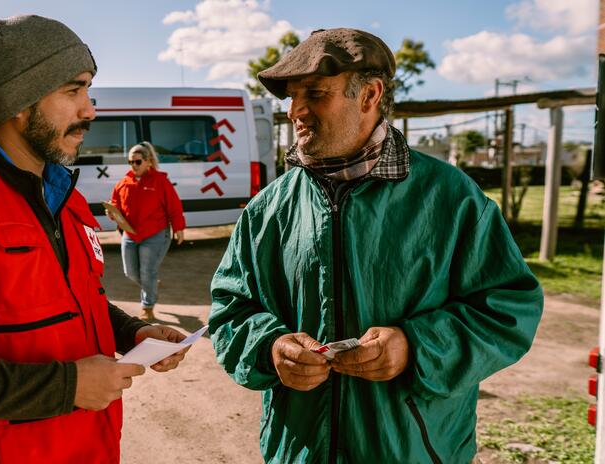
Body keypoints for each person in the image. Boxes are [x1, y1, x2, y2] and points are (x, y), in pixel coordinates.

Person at [208, 28, 543, 463]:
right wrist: (271, 348)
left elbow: (508, 309)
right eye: (291, 97)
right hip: (299, 452)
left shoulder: (451, 198)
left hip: (415, 451)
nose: (296, 111)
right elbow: (231, 311)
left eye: (314, 93)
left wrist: (417, 347)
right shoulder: (267, 209)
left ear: (369, 94)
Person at [0, 15, 188, 464]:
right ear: (19, 102)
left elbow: (77, 299)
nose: (90, 110)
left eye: (88, 91)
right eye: (73, 90)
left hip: (92, 448)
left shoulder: (68, 199)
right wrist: (68, 387)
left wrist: (133, 331)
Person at [107, 141, 186, 321]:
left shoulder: (160, 181)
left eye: (137, 162)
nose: (133, 166)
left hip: (155, 234)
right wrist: (112, 213)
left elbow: (174, 206)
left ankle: (147, 306)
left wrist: (179, 228)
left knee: (147, 272)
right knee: (131, 273)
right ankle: (151, 285)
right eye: (130, 162)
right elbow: (115, 204)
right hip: (130, 234)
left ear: (148, 161)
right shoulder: (123, 183)